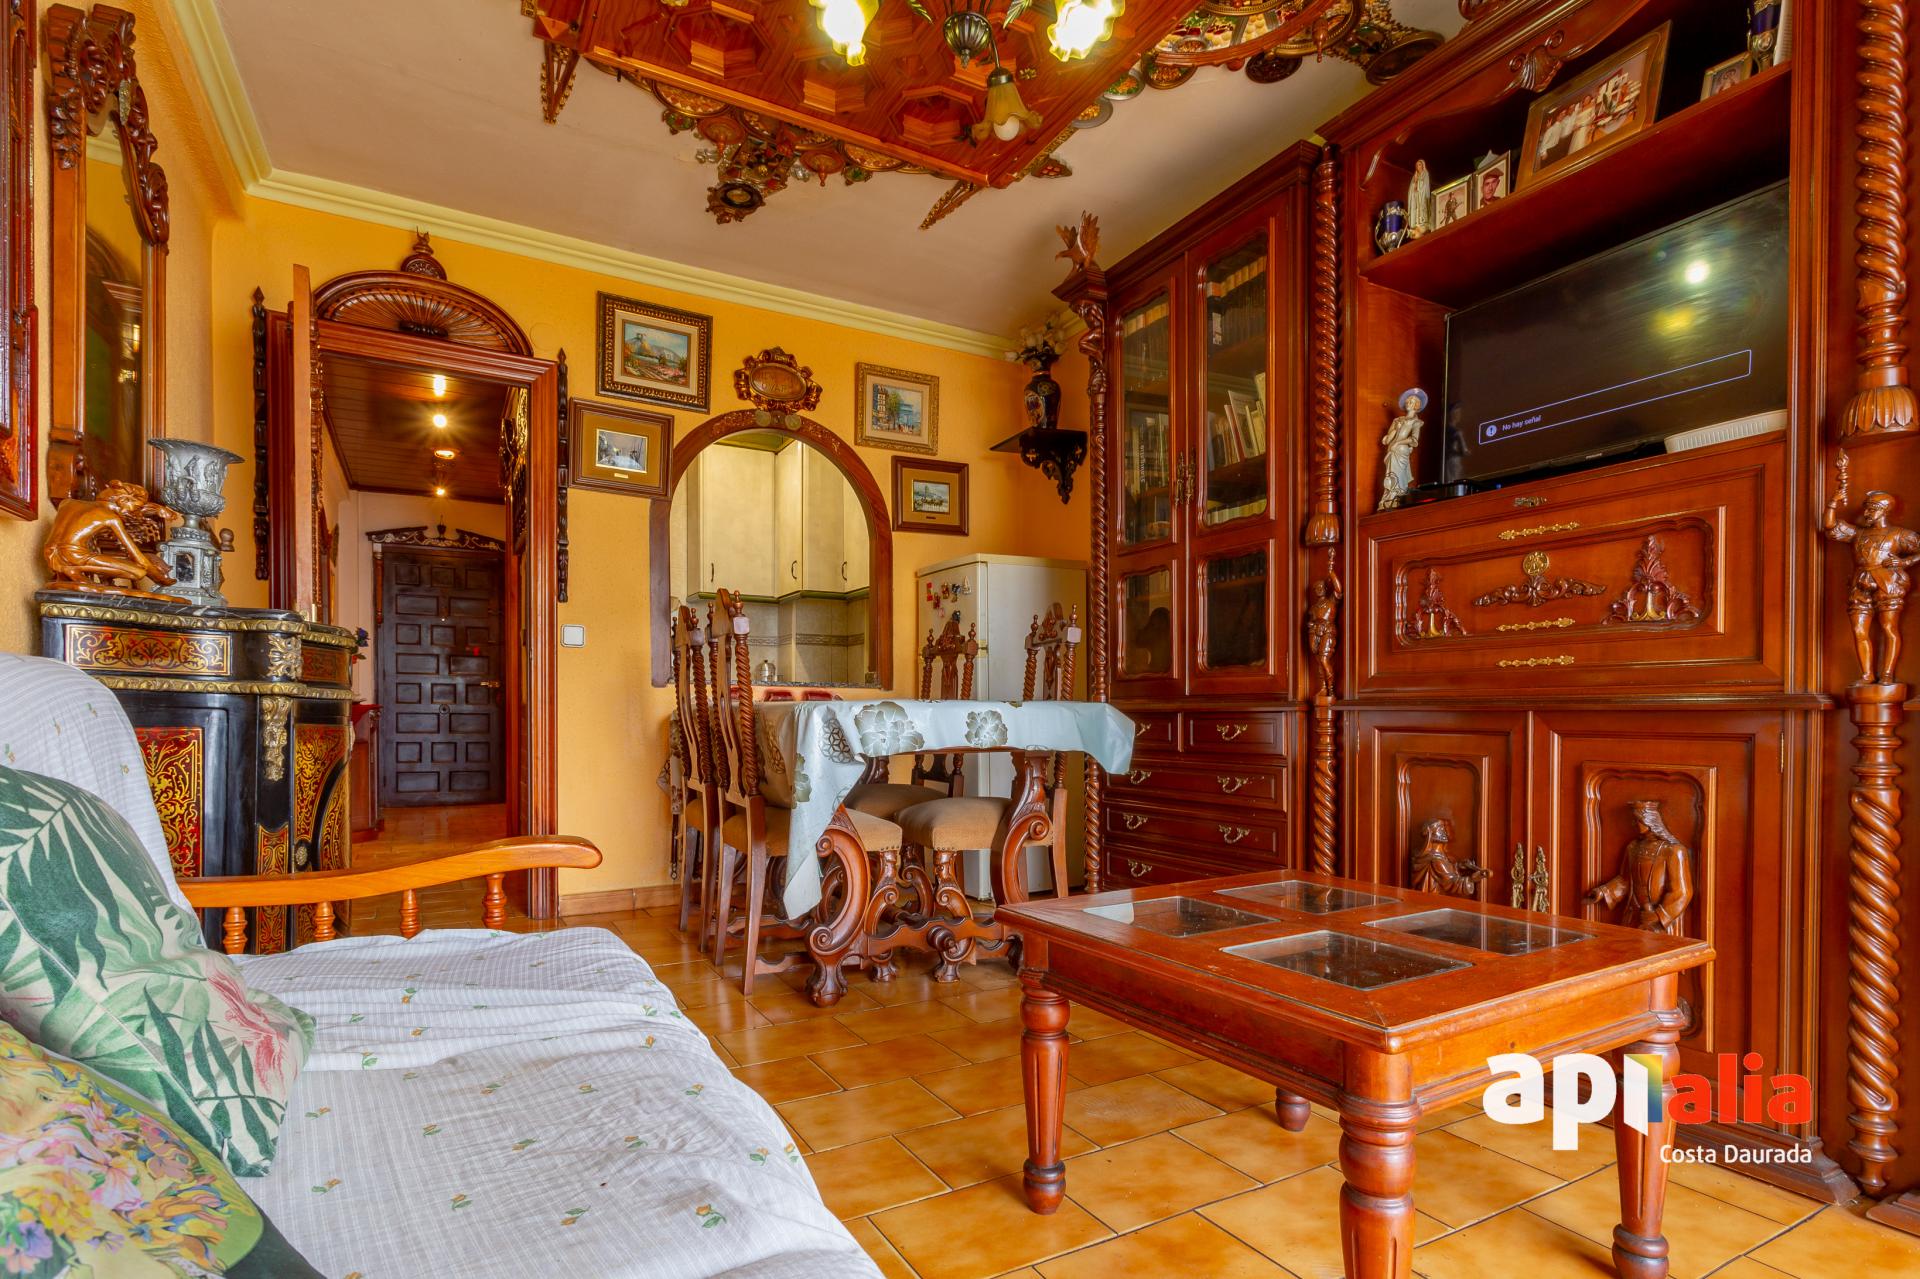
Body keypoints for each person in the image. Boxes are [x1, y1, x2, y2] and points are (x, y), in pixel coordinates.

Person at [1585, 800, 1693, 935]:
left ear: (1649, 821)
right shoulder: (1633, 847)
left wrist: (1659, 915)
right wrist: (1603, 891)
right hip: (1633, 915)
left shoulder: (1673, 851)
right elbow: (1625, 880)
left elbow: (1682, 892)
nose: (1633, 824)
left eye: (1637, 820)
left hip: (1658, 922)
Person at [1377, 388, 1426, 510]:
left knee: (1399, 475)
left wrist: (1399, 443)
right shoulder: (1397, 420)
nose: (1409, 403)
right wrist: (1394, 431)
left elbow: (1414, 441)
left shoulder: (1416, 423)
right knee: (1390, 475)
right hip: (1392, 450)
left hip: (1401, 451)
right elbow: (1388, 439)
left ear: (1416, 405)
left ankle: (1397, 497)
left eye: (1412, 402)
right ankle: (1388, 498)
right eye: (1408, 401)